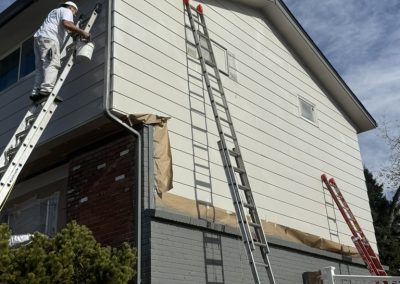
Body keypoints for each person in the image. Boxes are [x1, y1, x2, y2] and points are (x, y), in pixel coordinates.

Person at [30, 1, 90, 101]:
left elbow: (69, 30)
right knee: (52, 63)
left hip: (39, 39)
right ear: (71, 8)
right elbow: (67, 24)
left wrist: (77, 33)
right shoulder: (67, 11)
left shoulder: (55, 12)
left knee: (41, 66)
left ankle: (36, 92)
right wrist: (83, 32)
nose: (73, 15)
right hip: (49, 39)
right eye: (74, 13)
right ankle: (46, 89)